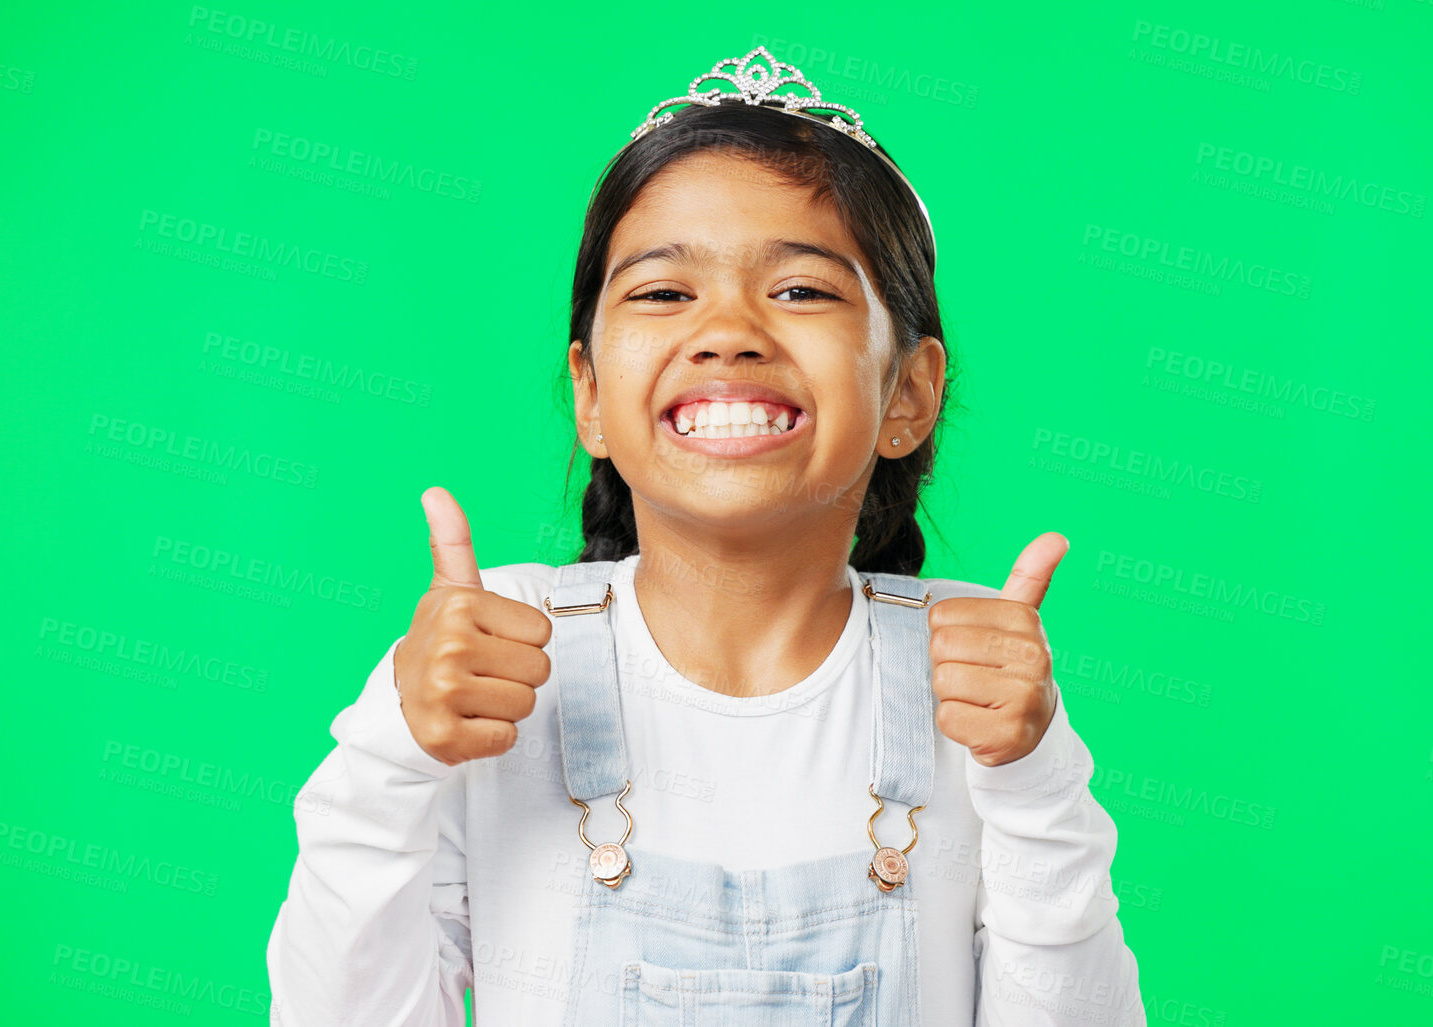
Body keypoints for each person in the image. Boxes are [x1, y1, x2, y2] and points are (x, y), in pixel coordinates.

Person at [266, 45, 1144, 1026]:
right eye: (662, 292)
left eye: (802, 289)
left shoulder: (978, 679)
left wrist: (1028, 783)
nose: (728, 331)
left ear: (910, 392)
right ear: (591, 395)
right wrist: (396, 748)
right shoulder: (492, 655)